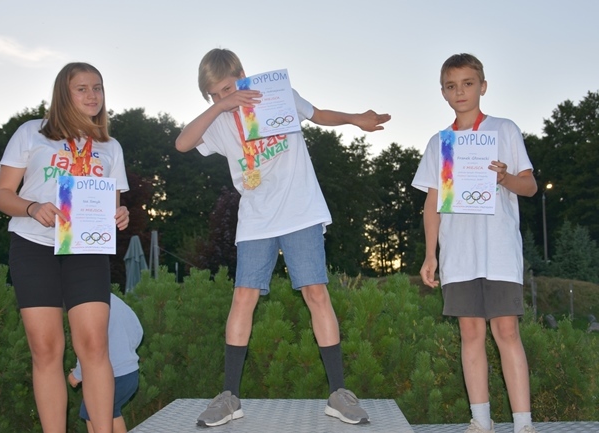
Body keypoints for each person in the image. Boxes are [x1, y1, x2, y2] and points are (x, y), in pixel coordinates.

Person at [176, 48, 391, 428]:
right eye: (214, 94)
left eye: (228, 89)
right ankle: (229, 396)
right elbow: (182, 143)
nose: (223, 97)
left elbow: (318, 114)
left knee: (316, 293)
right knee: (243, 297)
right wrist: (220, 106)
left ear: (242, 75)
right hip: (256, 219)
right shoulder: (219, 120)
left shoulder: (278, 95)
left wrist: (355, 119)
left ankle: (339, 393)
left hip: (299, 210)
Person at [0, 62, 130, 433]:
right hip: (33, 246)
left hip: (86, 250)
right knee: (46, 350)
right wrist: (31, 208)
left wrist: (120, 214)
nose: (92, 95)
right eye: (82, 88)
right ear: (62, 94)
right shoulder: (31, 132)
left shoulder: (110, 146)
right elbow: (0, 195)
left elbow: (111, 205)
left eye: (97, 87)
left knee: (94, 346)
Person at [411, 53, 538, 433]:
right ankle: (481, 421)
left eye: (468, 83)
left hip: (499, 251)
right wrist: (430, 254)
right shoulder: (440, 142)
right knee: (470, 333)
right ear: (443, 92)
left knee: (507, 332)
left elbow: (529, 186)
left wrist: (504, 178)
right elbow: (432, 202)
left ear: (482, 86)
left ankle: (524, 424)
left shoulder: (504, 130)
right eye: (451, 86)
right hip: (459, 254)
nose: (460, 91)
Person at [68, 293, 143, 433]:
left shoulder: (86, 303)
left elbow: (87, 344)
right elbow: (138, 330)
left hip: (112, 376)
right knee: (112, 412)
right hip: (130, 373)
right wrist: (126, 356)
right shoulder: (115, 301)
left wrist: (78, 374)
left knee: (92, 412)